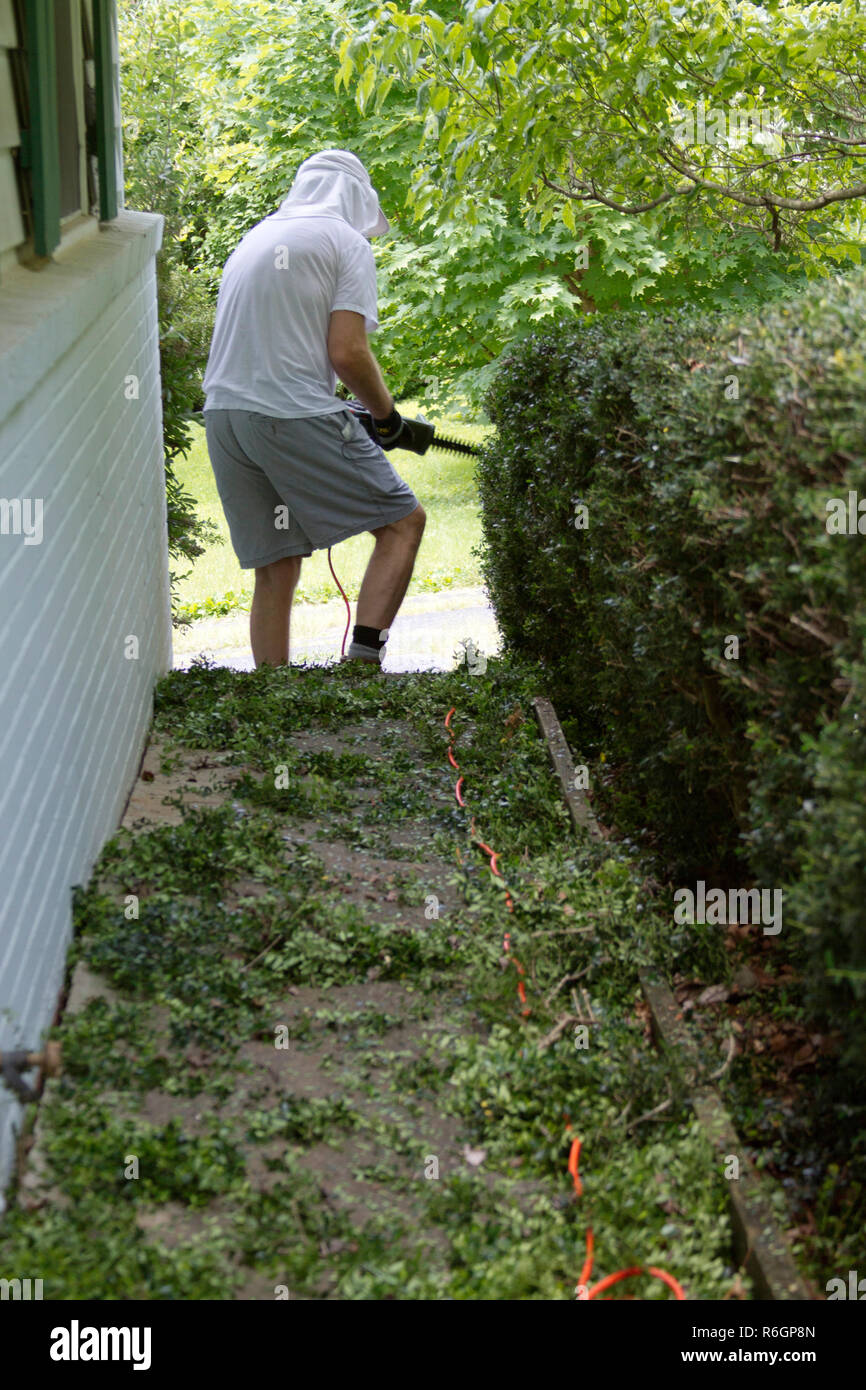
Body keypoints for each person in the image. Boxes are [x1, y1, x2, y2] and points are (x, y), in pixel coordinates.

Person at [201, 149, 426, 668]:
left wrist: (336, 409)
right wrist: (387, 418)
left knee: (277, 563)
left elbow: (272, 350)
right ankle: (362, 667)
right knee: (402, 523)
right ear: (356, 201)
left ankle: (273, 693)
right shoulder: (345, 242)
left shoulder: (255, 238)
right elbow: (347, 351)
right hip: (288, 413)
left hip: (225, 416)